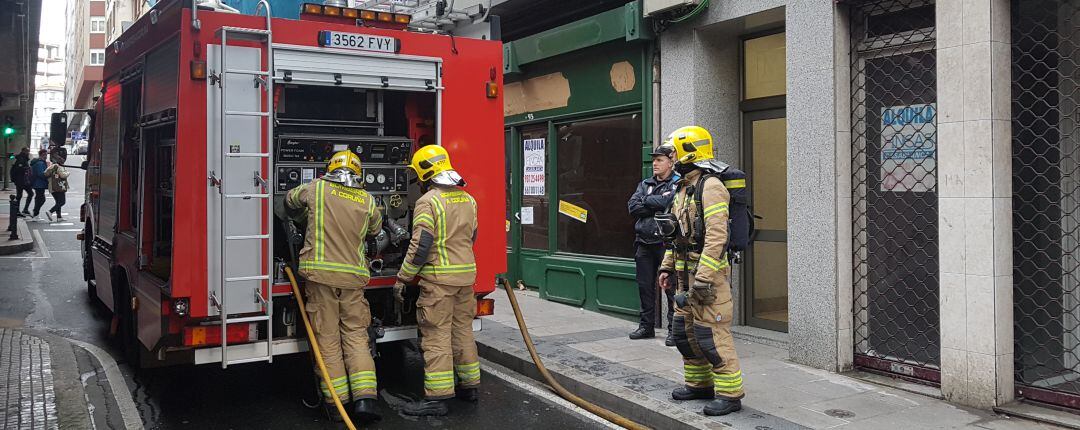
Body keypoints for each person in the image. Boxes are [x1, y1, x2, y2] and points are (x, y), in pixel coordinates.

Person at [284, 150, 383, 424]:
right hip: (353, 280)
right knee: (355, 336)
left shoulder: (315, 189)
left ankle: (337, 404)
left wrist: (301, 216)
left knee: (327, 338)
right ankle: (365, 400)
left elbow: (288, 200)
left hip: (320, 278)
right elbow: (375, 229)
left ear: (330, 169)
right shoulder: (367, 199)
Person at [657, 125, 744, 416]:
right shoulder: (683, 188)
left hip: (708, 281)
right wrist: (667, 267)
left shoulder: (712, 187)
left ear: (688, 153)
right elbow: (677, 234)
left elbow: (717, 238)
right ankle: (699, 386)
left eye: (674, 151)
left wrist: (703, 280)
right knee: (685, 334)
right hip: (684, 277)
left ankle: (730, 395)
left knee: (712, 337)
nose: (670, 156)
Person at [394, 145, 480, 417]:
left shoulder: (428, 201)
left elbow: (421, 245)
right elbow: (472, 236)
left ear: (423, 173)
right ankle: (469, 386)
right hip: (465, 277)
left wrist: (404, 277)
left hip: (439, 281)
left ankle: (437, 398)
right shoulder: (468, 199)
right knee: (462, 331)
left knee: (437, 336)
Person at [627, 144, 680, 345]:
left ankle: (673, 330)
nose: (655, 164)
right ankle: (646, 327)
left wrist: (647, 202)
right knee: (645, 287)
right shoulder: (645, 183)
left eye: (659, 160)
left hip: (665, 243)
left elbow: (672, 204)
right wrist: (656, 202)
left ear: (670, 161)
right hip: (643, 243)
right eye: (654, 160)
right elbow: (633, 206)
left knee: (671, 287)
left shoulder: (677, 183)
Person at [44, 153, 70, 222]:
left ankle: (59, 217)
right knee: (62, 202)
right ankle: (50, 211)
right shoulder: (59, 167)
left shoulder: (51, 166)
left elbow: (45, 173)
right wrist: (67, 173)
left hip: (52, 187)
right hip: (59, 187)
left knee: (58, 202)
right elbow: (63, 175)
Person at [29, 149, 49, 221]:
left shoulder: (39, 162)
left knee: (39, 199)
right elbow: (41, 174)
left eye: (46, 155)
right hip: (39, 184)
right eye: (44, 155)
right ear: (41, 155)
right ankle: (35, 213)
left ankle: (35, 213)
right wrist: (48, 177)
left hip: (38, 183)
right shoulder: (40, 163)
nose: (46, 156)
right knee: (41, 199)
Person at [11, 148, 31, 216]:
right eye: (27, 151)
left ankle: (24, 209)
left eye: (28, 151)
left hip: (23, 180)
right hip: (20, 180)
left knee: (30, 193)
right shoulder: (21, 159)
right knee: (19, 195)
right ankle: (17, 211)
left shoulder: (23, 158)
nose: (28, 152)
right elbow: (19, 169)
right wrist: (26, 169)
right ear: (23, 151)